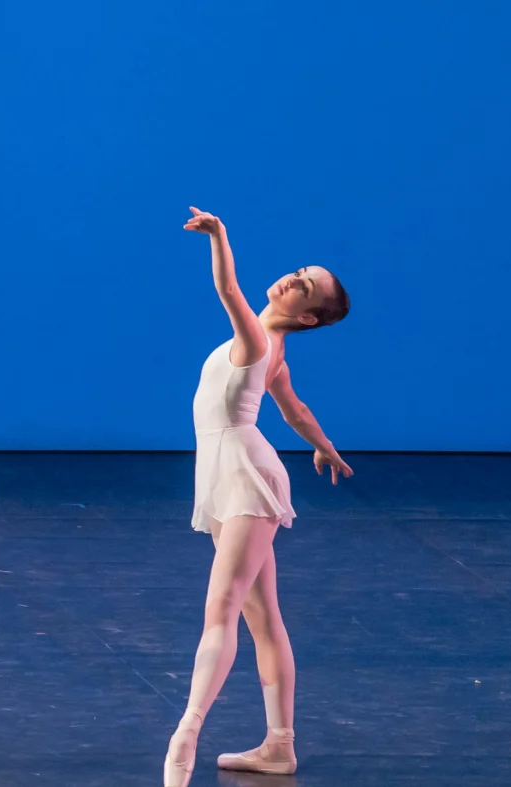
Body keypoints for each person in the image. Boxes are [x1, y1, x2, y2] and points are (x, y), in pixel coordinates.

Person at [164, 207, 353, 786]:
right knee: (262, 616)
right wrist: (323, 445)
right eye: (300, 271)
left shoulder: (254, 334)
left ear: (310, 316)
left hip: (246, 476)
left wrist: (219, 235)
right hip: (226, 476)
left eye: (306, 287)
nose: (293, 280)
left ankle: (186, 734)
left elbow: (225, 286)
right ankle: (279, 746)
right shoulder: (272, 348)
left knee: (221, 609)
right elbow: (293, 408)